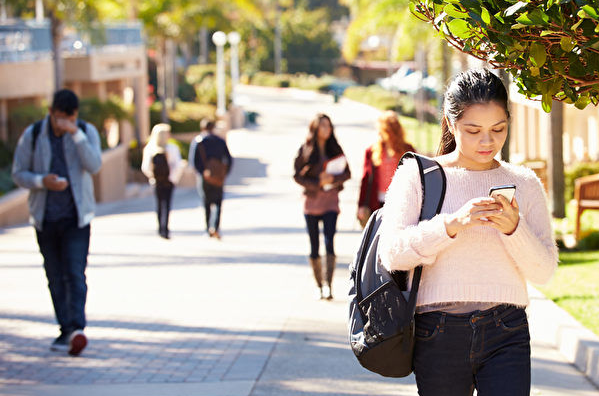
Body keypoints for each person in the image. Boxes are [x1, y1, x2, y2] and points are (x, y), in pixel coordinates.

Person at [378, 68, 558, 395]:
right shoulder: (418, 175)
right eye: (473, 130)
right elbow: (392, 253)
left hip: (507, 329)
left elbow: (544, 271)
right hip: (438, 332)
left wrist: (514, 229)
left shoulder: (526, 183)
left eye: (498, 129)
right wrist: (451, 225)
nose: (487, 141)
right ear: (450, 123)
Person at [12, 89, 102, 356]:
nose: (64, 123)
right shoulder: (34, 134)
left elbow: (95, 165)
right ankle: (65, 329)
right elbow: (18, 173)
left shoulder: (85, 132)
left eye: (70, 118)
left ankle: (77, 329)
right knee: (54, 276)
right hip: (46, 218)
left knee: (75, 273)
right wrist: (42, 181)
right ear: (51, 113)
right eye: (60, 118)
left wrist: (76, 135)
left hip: (77, 217)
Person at [293, 113, 351, 300]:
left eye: (329, 125)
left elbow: (347, 173)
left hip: (331, 203)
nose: (327, 129)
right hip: (311, 204)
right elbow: (297, 175)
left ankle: (329, 285)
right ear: (315, 128)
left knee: (329, 243)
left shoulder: (335, 149)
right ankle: (318, 284)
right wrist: (317, 182)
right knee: (314, 246)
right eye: (323, 125)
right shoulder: (306, 149)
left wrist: (332, 178)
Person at [357, 110, 415, 227]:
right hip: (376, 202)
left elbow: (416, 177)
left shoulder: (408, 150)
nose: (380, 133)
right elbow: (366, 179)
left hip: (401, 202)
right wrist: (361, 205)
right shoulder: (372, 151)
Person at [191, 119, 232, 239]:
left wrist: (202, 172)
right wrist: (224, 173)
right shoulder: (220, 141)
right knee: (218, 202)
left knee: (206, 202)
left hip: (205, 176)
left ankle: (208, 228)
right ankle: (216, 227)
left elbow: (193, 161)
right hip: (219, 176)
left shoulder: (198, 141)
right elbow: (229, 159)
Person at [141, 123, 183, 239]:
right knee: (167, 204)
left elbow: (145, 167)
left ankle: (160, 229)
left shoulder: (150, 149)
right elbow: (178, 165)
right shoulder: (172, 148)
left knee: (159, 205)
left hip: (157, 182)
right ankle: (165, 229)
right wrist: (172, 178)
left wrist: (153, 176)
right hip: (168, 181)